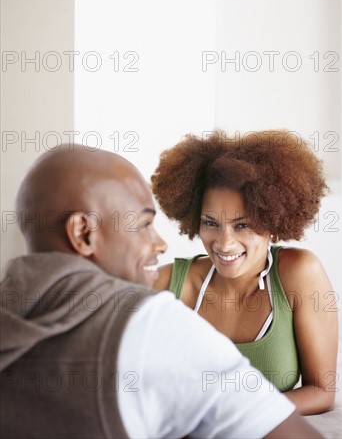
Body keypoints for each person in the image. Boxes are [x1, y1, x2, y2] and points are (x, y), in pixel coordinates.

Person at [0, 144, 321, 439]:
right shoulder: (153, 321)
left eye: (242, 225)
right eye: (143, 224)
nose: (160, 243)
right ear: (83, 233)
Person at [152, 129, 338, 416]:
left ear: (273, 220)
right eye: (210, 223)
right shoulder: (168, 285)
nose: (224, 243)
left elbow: (322, 392)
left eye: (242, 225)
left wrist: (235, 415)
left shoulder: (299, 273)